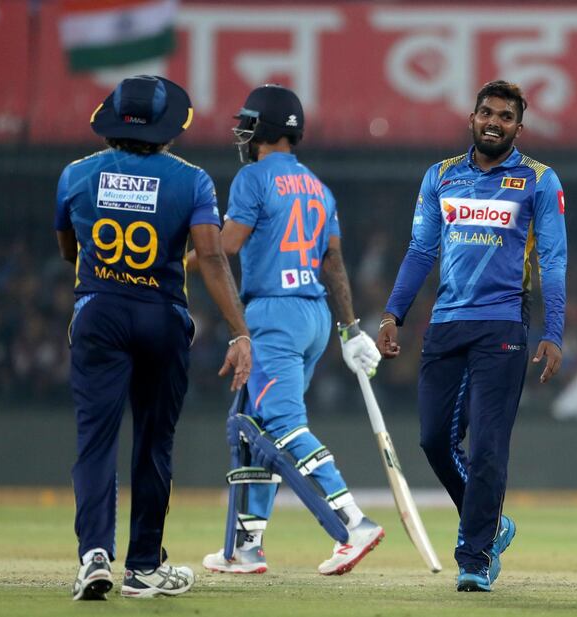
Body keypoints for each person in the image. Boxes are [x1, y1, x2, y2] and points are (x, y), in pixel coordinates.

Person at [56, 75, 252, 600]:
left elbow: (67, 249)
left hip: (98, 311)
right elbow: (211, 257)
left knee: (94, 440)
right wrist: (239, 331)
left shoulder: (75, 175)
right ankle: (144, 566)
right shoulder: (192, 180)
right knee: (153, 443)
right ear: (169, 129)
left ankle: (94, 555)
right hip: (162, 315)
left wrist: (104, 276)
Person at [377, 80, 567, 592]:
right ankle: (491, 523)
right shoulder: (440, 176)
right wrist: (393, 313)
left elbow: (552, 258)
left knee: (486, 446)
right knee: (433, 439)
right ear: (472, 117)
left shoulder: (539, 180)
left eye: (506, 116)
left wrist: (553, 330)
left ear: (518, 128)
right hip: (444, 322)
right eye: (487, 112)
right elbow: (420, 251)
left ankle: (475, 554)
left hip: (503, 324)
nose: (494, 121)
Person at [193, 84, 383, 576]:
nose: (241, 131)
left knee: (280, 426)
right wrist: (349, 329)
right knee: (257, 431)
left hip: (272, 315)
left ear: (265, 128)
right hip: (315, 316)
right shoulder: (319, 187)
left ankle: (353, 522)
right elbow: (334, 262)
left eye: (248, 122)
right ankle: (246, 547)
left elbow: (226, 246)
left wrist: (177, 260)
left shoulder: (252, 177)